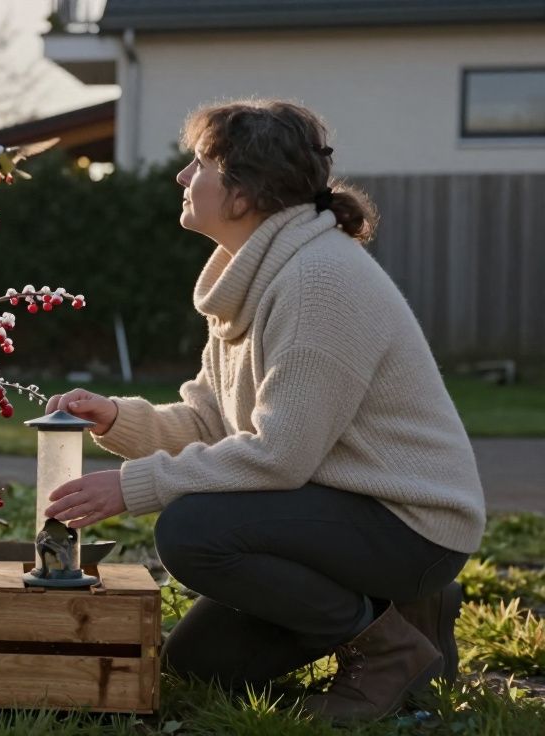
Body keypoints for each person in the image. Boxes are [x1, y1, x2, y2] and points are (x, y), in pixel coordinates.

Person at [43, 99, 485, 722]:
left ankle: (384, 649)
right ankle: (409, 614)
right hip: (340, 507)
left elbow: (279, 454)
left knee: (192, 530)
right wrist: (118, 420)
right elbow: (209, 421)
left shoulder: (318, 281)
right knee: (198, 666)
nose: (181, 178)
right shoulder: (253, 277)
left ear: (245, 192)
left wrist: (131, 486)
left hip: (411, 521)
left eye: (198, 163)